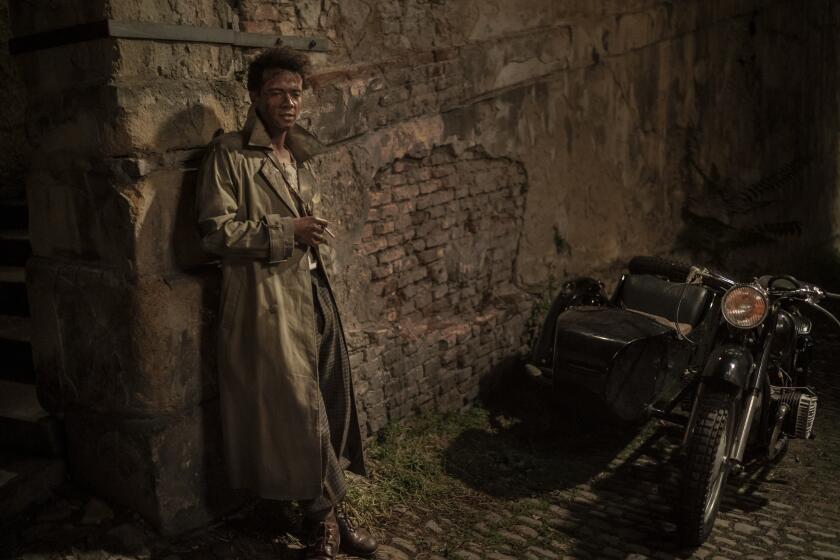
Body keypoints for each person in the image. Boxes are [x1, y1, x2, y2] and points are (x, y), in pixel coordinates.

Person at [195, 47, 378, 560]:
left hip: (314, 293)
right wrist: (288, 230)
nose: (288, 102)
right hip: (269, 304)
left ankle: (314, 513)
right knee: (303, 412)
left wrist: (308, 234)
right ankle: (327, 522)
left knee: (327, 398)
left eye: (295, 93)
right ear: (254, 96)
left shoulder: (297, 155)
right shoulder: (230, 155)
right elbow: (215, 232)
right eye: (276, 92)